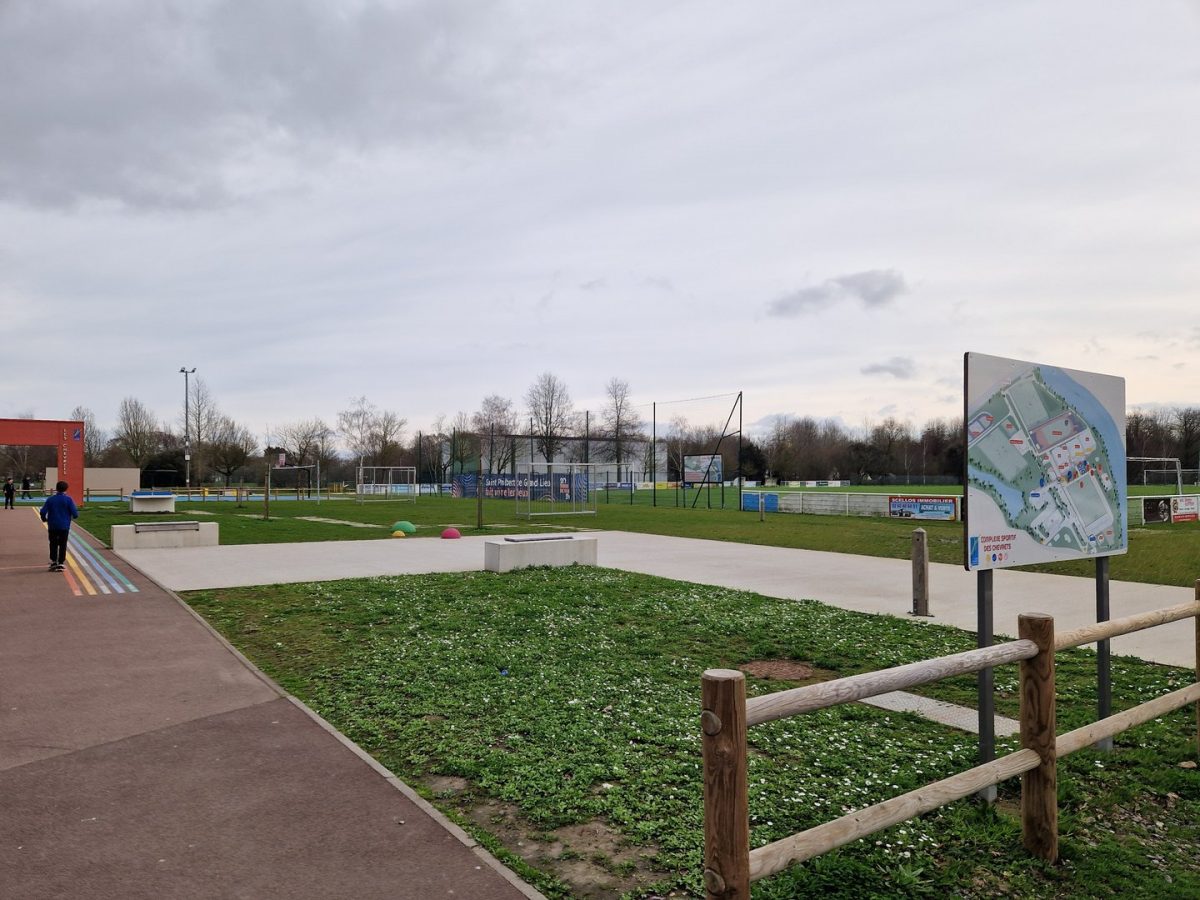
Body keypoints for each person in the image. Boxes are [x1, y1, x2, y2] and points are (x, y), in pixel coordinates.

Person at [40, 481, 78, 572]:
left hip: (52, 525)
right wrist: (73, 516)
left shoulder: (50, 499)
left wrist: (44, 519)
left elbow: (43, 511)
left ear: (56, 488)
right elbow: (75, 513)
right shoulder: (68, 499)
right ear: (66, 489)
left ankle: (54, 561)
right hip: (64, 525)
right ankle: (61, 562)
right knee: (63, 544)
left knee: (53, 543)